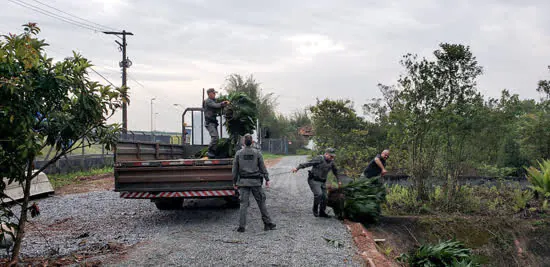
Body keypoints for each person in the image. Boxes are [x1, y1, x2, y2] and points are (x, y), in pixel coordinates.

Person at [232, 134, 276, 233]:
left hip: (243, 182)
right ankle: (267, 223)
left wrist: (234, 182)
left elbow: (234, 170)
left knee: (243, 204)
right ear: (252, 142)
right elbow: (262, 167)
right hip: (256, 182)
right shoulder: (257, 153)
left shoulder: (238, 153)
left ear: (244, 142)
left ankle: (241, 226)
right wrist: (267, 178)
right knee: (261, 202)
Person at [292, 148, 341, 218]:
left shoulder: (331, 162)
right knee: (319, 194)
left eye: (333, 157)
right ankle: (315, 208)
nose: (332, 158)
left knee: (325, 197)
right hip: (314, 180)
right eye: (331, 156)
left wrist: (338, 180)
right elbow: (308, 163)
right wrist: (297, 168)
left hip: (322, 181)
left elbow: (335, 171)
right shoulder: (319, 158)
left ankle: (322, 212)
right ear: (326, 154)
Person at [203, 88, 229, 158]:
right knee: (215, 137)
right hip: (209, 123)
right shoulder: (208, 101)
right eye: (213, 93)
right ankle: (209, 151)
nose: (215, 94)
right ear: (209, 94)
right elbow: (216, 105)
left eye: (215, 93)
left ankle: (213, 152)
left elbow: (218, 107)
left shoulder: (213, 100)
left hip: (214, 122)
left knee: (216, 139)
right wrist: (222, 103)